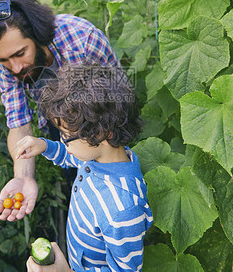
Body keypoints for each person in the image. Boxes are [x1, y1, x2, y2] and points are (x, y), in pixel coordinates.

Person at [0, 0, 120, 222]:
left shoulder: (84, 40)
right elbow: (18, 124)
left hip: (104, 120)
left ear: (37, 35)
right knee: (77, 179)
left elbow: (119, 103)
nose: (16, 67)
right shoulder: (7, 65)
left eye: (20, 53)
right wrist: (23, 176)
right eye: (3, 60)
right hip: (59, 124)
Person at [14, 64, 153, 272]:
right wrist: (44, 145)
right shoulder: (98, 157)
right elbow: (72, 157)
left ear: (104, 134)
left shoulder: (122, 211)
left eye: (66, 136)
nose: (63, 141)